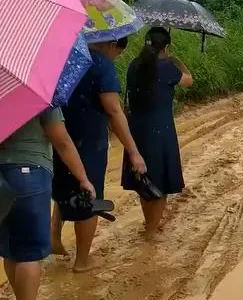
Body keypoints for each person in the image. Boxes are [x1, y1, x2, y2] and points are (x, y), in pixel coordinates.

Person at [51, 37, 147, 273]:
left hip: (59, 133)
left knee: (64, 187)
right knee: (89, 194)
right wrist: (133, 151)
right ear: (112, 45)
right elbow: (113, 110)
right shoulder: (101, 63)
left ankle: (54, 237)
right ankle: (82, 260)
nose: (116, 58)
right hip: (89, 138)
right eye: (118, 53)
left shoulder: (62, 54)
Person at [0, 107, 96, 300]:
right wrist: (83, 178)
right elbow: (62, 141)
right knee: (29, 254)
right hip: (30, 174)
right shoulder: (34, 90)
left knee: (11, 251)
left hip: (1, 177)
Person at [121, 27, 193, 240]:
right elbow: (189, 80)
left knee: (144, 180)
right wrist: (176, 60)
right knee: (161, 181)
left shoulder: (134, 65)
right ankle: (152, 231)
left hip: (137, 129)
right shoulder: (167, 67)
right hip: (161, 129)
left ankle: (148, 224)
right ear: (166, 47)